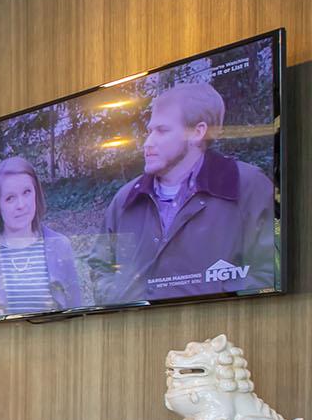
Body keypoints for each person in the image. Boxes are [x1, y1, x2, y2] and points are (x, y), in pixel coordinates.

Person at [102, 82, 279, 304]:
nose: (148, 143)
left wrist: (219, 293)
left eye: (162, 130)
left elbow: (270, 270)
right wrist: (119, 297)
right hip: (134, 331)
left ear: (198, 132)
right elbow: (100, 265)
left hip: (224, 331)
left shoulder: (249, 185)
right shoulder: (126, 197)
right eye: (149, 131)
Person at [0, 156, 87, 317]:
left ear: (36, 194)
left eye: (27, 192)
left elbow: (77, 313)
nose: (21, 205)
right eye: (10, 198)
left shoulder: (60, 246)